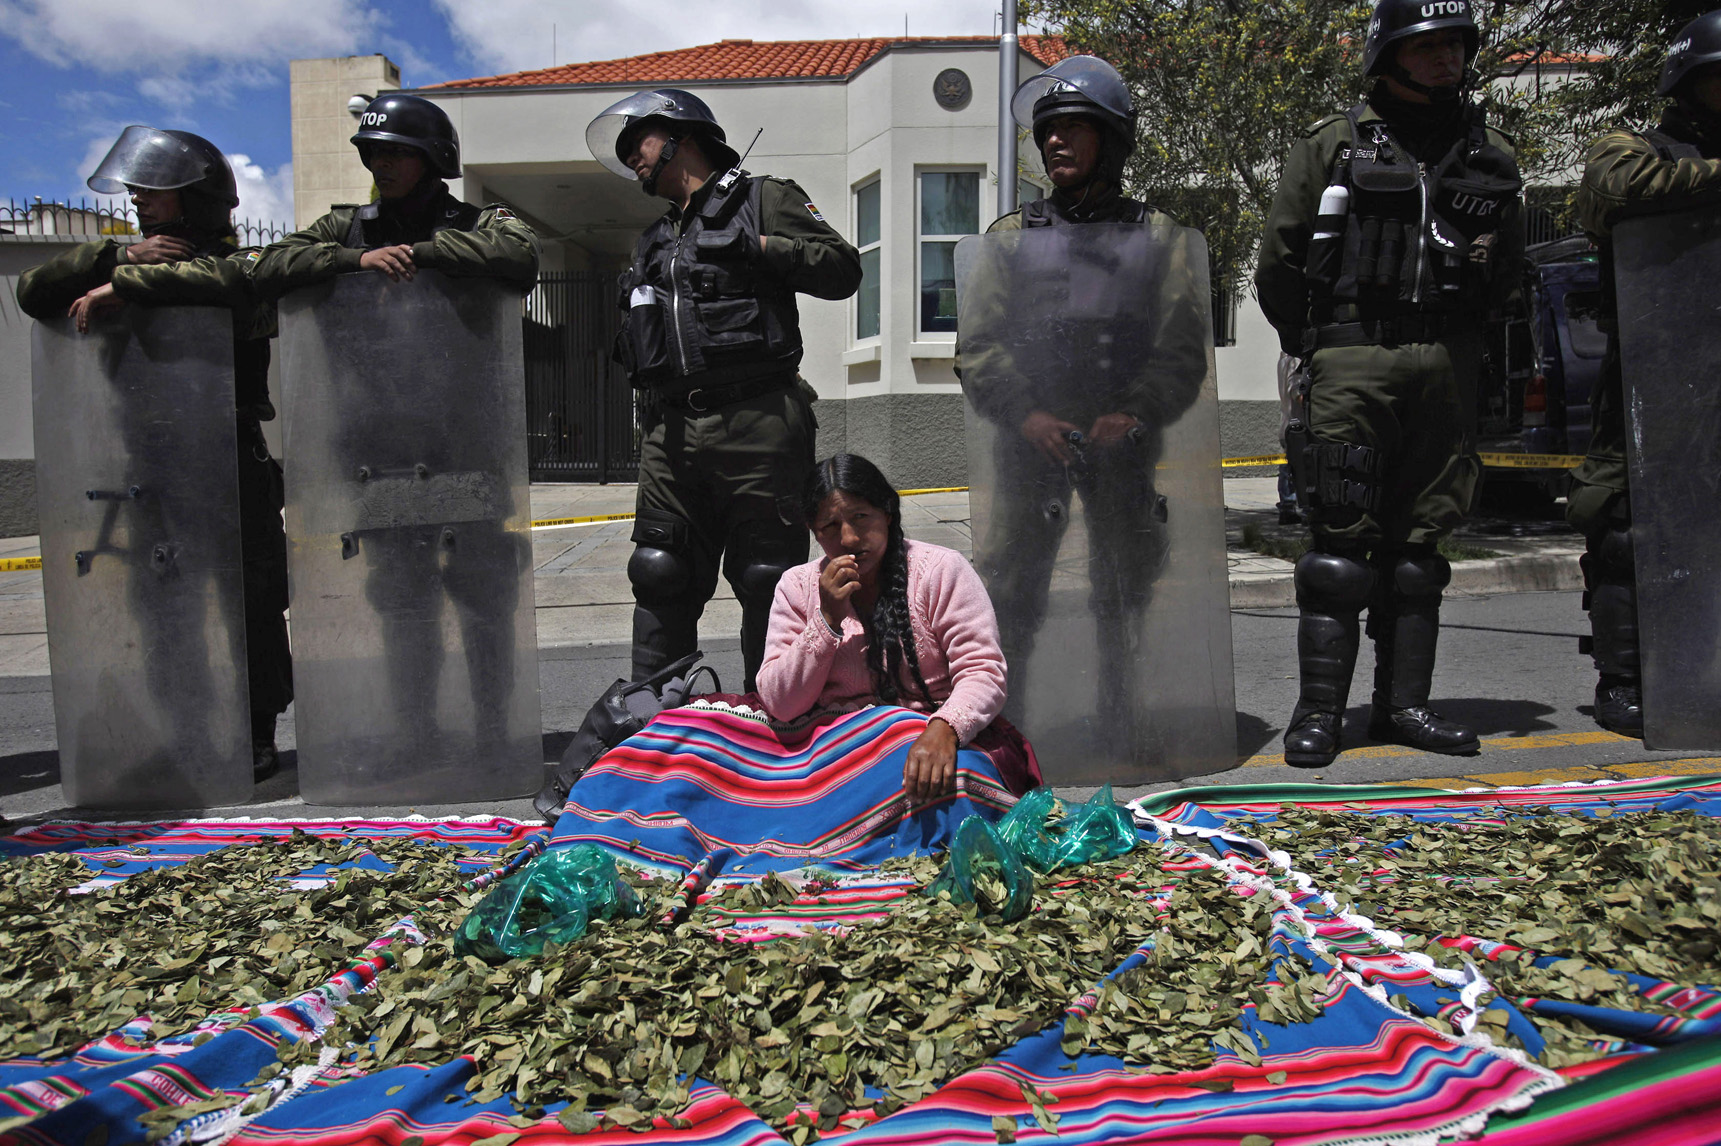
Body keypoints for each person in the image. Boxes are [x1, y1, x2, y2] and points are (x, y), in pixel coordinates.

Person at [1255, 0, 1524, 766]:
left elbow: (1507, 266)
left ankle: (1402, 706)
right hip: (1353, 355)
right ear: (1389, 54)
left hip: (1446, 362)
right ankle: (1318, 715)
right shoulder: (1332, 145)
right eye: (1427, 45)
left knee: (1417, 553)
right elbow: (1279, 262)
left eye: (1455, 46)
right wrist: (1319, 347)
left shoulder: (1488, 153)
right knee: (1338, 552)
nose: (1446, 59)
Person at [250, 94, 540, 762]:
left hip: (465, 451)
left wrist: (419, 254)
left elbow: (519, 254)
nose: (381, 165)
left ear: (432, 157)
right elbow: (266, 267)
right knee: (404, 606)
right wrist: (352, 261)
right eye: (373, 153)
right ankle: (416, 732)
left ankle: (493, 730)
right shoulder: (345, 228)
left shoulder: (474, 222)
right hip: (379, 454)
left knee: (484, 600)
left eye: (396, 153)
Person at [16, 126, 293, 779]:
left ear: (195, 197)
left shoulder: (239, 264)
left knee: (248, 601)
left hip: (228, 457)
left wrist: (136, 284)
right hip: (150, 461)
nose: (138, 197)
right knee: (163, 602)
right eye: (137, 188)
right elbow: (32, 293)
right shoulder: (124, 257)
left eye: (154, 189)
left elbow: (245, 288)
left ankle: (255, 730)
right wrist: (117, 260)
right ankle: (185, 725)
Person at [962, 55, 1207, 753]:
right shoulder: (1010, 238)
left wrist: (1136, 413)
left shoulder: (1158, 237)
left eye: (1073, 127)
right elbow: (979, 345)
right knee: (1013, 587)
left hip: (1120, 437)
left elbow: (1181, 345)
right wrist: (1025, 414)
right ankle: (1007, 724)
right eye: (1047, 130)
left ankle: (1121, 718)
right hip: (1030, 440)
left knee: (1124, 583)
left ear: (1113, 140)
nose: (1054, 141)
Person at [585, 89, 862, 693]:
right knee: (659, 570)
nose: (630, 156)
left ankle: (774, 718)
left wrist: (759, 247)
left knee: (767, 577)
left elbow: (842, 268)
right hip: (669, 431)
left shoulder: (764, 199)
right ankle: (655, 722)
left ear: (681, 135)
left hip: (758, 418)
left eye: (637, 141)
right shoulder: (652, 239)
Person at [1567, 10, 1721, 738]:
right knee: (1625, 526)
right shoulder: (1636, 149)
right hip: (1653, 378)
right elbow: (1614, 188)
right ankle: (1626, 679)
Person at [757, 454, 1040, 803]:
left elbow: (983, 671)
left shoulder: (941, 571)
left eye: (860, 518)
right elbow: (781, 705)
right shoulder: (797, 586)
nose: (848, 538)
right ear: (814, 532)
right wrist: (826, 619)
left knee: (955, 788)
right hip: (834, 749)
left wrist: (945, 729)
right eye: (830, 526)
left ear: (887, 513)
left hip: (933, 735)